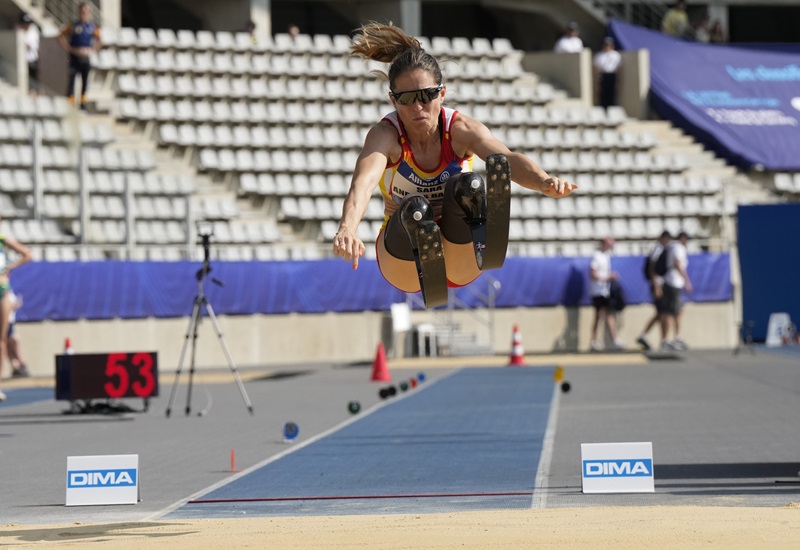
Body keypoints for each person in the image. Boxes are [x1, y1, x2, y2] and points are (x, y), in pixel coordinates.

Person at [333, 22, 576, 307]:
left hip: (458, 251)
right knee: (415, 210)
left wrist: (543, 181)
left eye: (427, 95)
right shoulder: (386, 135)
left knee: (469, 185)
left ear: (442, 93)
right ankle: (425, 238)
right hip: (405, 260)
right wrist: (347, 227)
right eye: (407, 99)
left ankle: (482, 235)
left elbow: (506, 159)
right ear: (393, 101)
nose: (418, 107)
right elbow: (361, 184)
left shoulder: (460, 129)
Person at [0, 230, 33, 401]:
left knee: (2, 339)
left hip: (2, 291)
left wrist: (10, 267)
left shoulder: (2, 239)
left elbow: (27, 254)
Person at [57, 2, 102, 111]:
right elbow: (60, 36)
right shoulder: (73, 25)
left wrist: (92, 49)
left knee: (85, 81)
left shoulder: (92, 27)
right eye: (82, 11)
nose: (84, 13)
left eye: (86, 11)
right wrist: (69, 48)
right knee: (72, 79)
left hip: (85, 58)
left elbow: (100, 41)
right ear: (79, 12)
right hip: (74, 57)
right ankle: (71, 101)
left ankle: (83, 103)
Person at [636, 230, 672, 351]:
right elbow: (652, 267)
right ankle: (662, 339)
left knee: (661, 312)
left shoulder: (662, 249)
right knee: (663, 312)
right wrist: (656, 285)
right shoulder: (658, 249)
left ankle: (648, 336)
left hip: (660, 284)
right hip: (658, 284)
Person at [589, 237, 623, 351]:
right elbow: (593, 274)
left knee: (607, 314)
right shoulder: (596, 256)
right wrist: (608, 277)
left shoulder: (606, 256)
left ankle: (613, 339)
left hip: (605, 290)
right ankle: (596, 341)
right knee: (599, 316)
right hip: (598, 290)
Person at [662, 231, 692, 350]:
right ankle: (673, 339)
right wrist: (686, 281)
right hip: (674, 282)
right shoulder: (678, 248)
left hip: (671, 282)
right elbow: (678, 264)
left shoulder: (671, 247)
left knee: (674, 311)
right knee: (673, 311)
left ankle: (670, 339)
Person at [593, 37, 622, 109]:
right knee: (603, 94)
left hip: (612, 75)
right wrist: (596, 80)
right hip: (603, 75)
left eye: (609, 45)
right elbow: (596, 69)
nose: (607, 46)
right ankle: (603, 109)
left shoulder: (616, 55)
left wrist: (619, 80)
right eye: (606, 45)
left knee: (612, 93)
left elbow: (619, 68)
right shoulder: (599, 55)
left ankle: (611, 110)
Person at [17, 13, 40, 97]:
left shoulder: (33, 31)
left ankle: (34, 92)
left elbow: (33, 45)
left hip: (32, 59)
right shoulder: (19, 29)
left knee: (33, 77)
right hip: (21, 59)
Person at [7, 290, 28, 378]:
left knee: (13, 341)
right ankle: (16, 366)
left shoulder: (8, 291)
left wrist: (15, 305)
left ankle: (21, 364)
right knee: (8, 344)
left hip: (9, 322)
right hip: (5, 322)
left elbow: (13, 304)